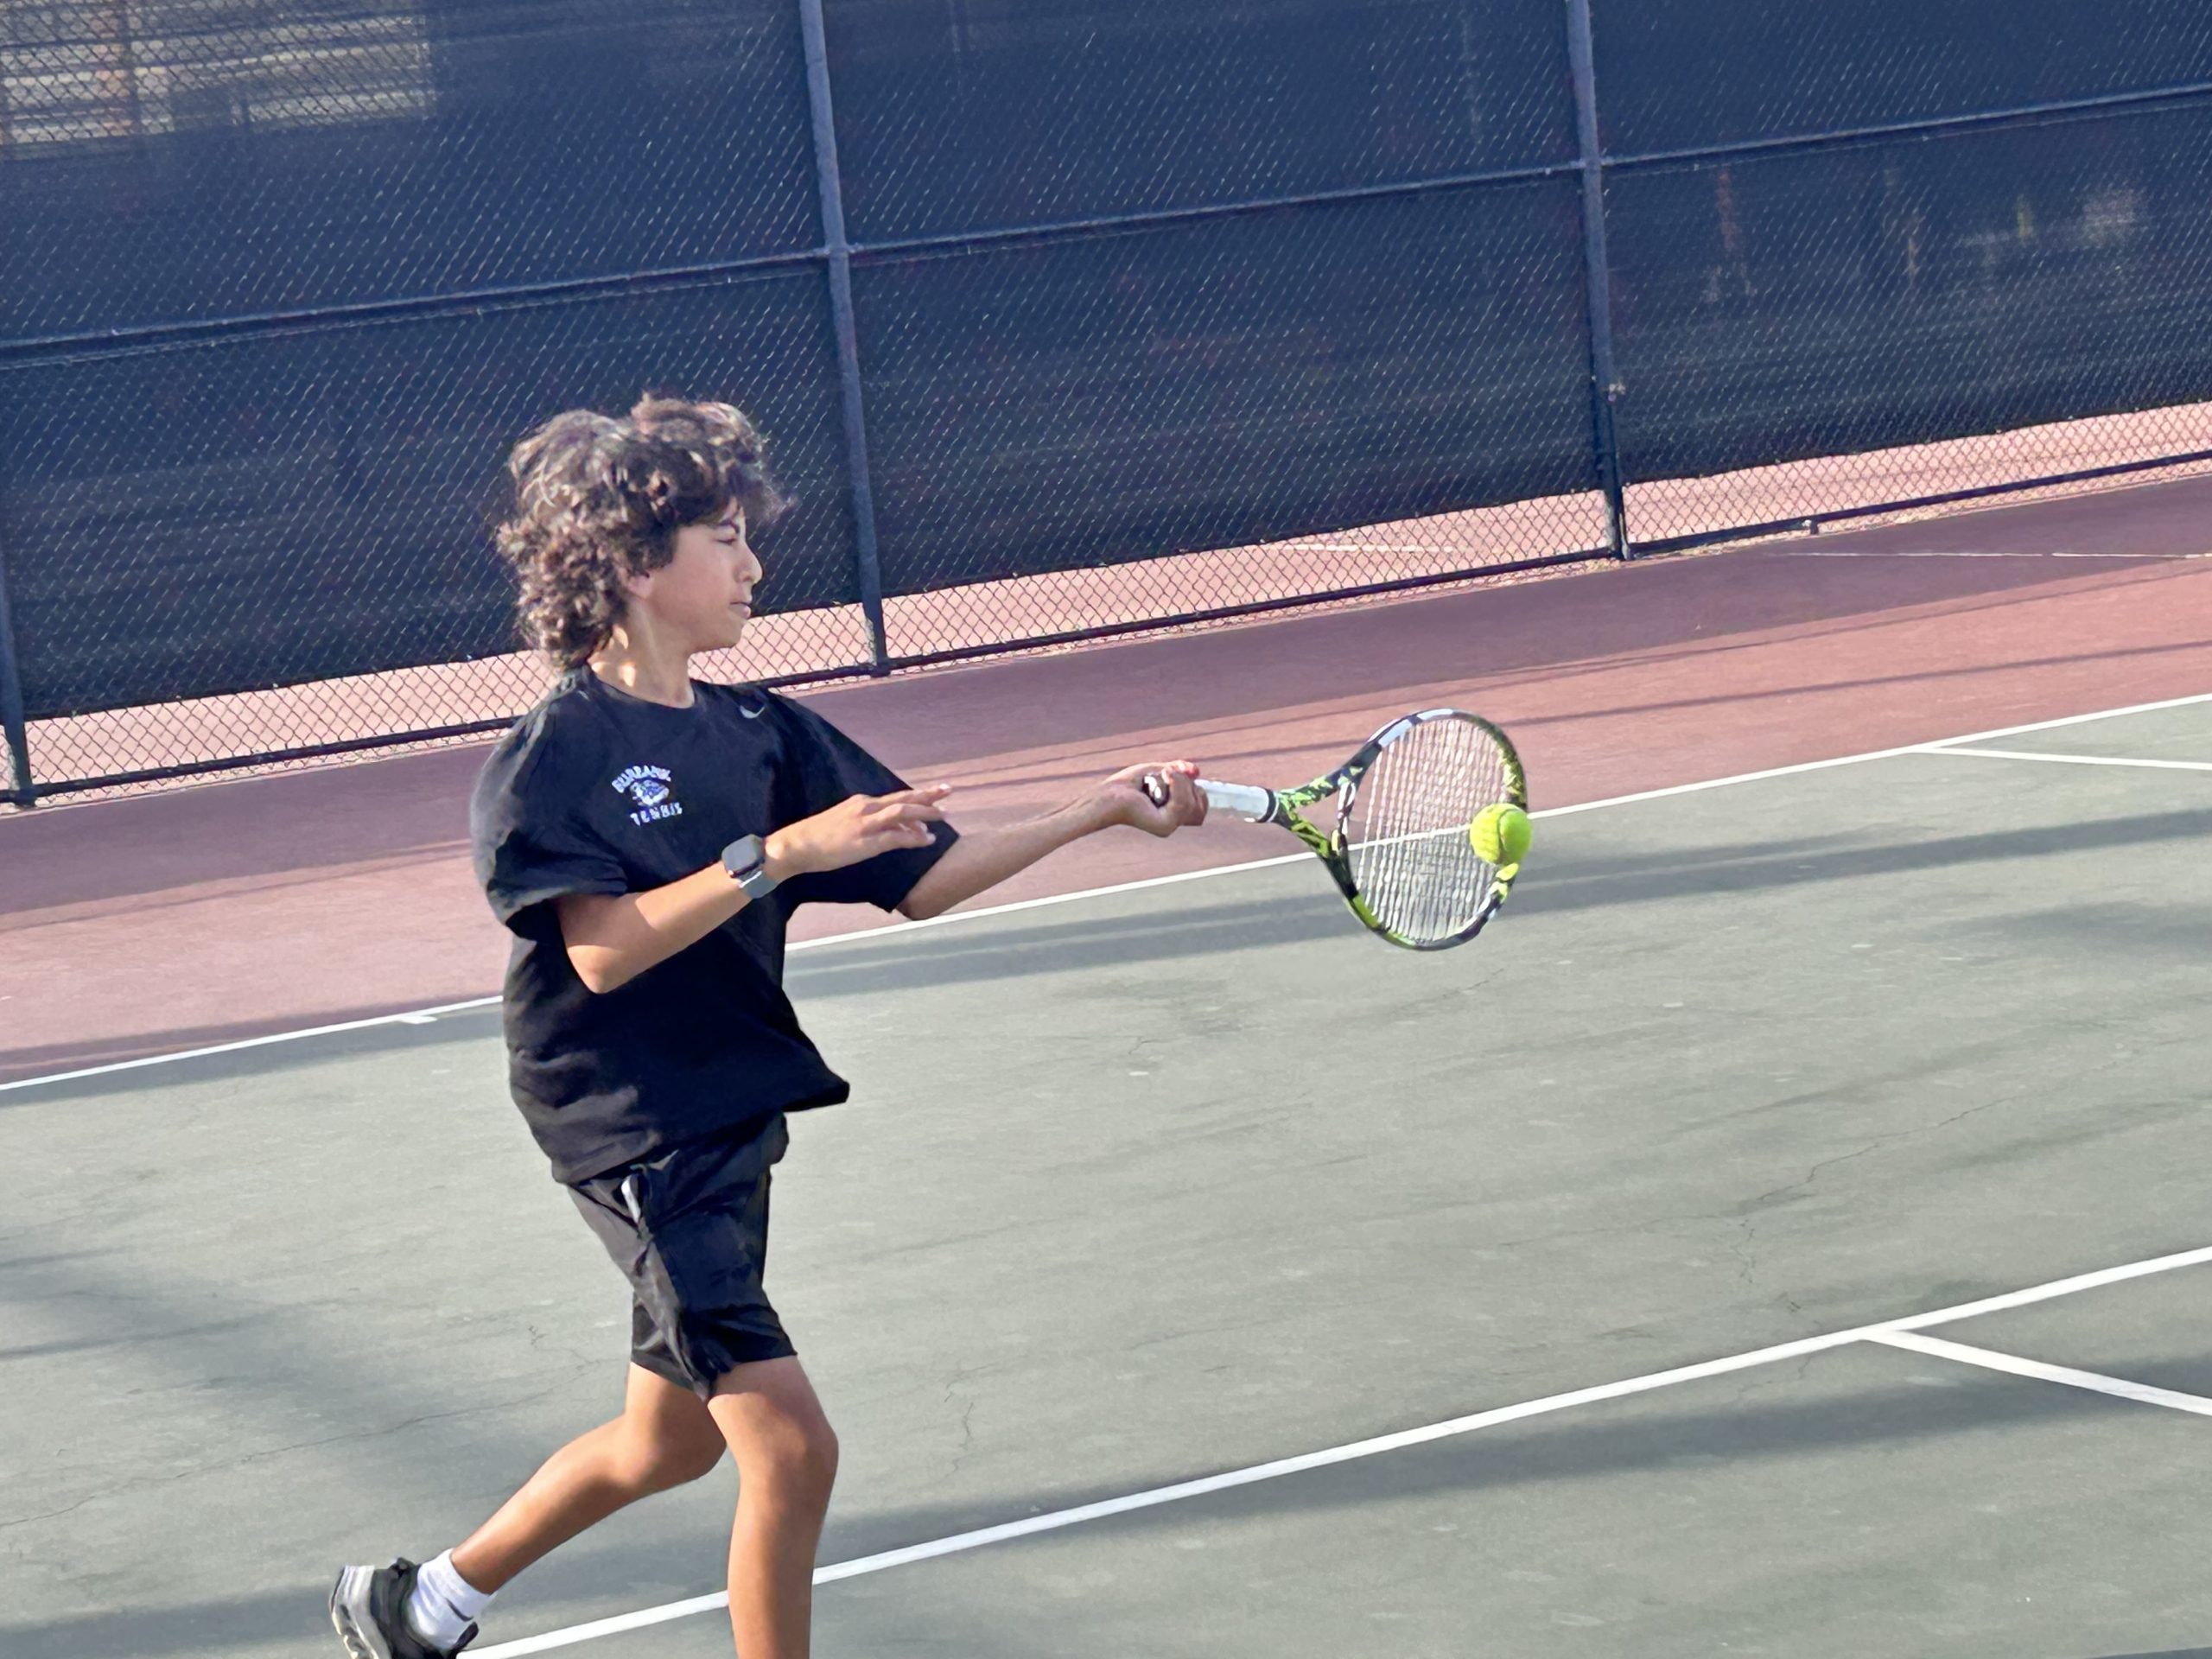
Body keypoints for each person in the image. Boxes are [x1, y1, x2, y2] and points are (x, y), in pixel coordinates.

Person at [329, 394, 1206, 1659]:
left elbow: (923, 877)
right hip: (628, 1126)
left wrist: (1097, 813)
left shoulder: (761, 734)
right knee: (791, 1447)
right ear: (637, 566)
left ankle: (422, 1607)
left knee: (671, 1437)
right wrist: (780, 855)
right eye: (724, 539)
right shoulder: (555, 755)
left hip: (728, 1111)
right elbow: (603, 947)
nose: (753, 566)